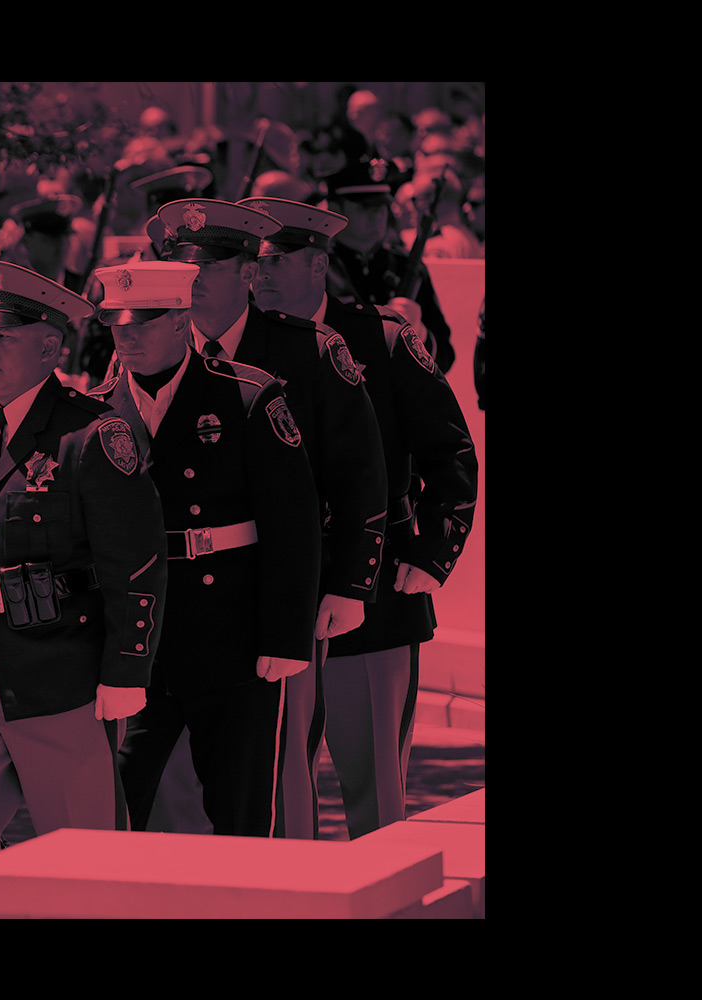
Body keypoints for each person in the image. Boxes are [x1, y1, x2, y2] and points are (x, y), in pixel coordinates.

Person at [0, 259, 167, 918]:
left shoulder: (93, 436)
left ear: (51, 346)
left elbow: (133, 561)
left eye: (6, 336)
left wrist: (125, 669)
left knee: (83, 866)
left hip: (62, 676)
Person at [150, 196, 388, 841]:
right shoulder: (149, 350)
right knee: (162, 780)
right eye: (179, 270)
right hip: (179, 601)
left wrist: (348, 583)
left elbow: (358, 474)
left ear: (249, 274)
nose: (191, 284)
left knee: (270, 770)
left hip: (277, 590)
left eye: (206, 270)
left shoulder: (308, 351)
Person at [243, 196, 479, 840]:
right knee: (280, 784)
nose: (258, 274)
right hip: (277, 591)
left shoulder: (380, 338)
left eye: (275, 260)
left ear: (318, 265)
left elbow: (451, 453)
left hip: (378, 592)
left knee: (372, 785)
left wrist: (431, 558)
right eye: (253, 261)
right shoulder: (239, 348)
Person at [91, 259, 321, 839]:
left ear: (180, 320)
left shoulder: (246, 397)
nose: (127, 337)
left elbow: (292, 525)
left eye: (143, 323)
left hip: (231, 636)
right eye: (118, 325)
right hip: (139, 641)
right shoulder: (95, 413)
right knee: (111, 807)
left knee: (241, 811)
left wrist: (285, 637)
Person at [323, 159, 456, 373]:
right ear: (335, 207)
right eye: (365, 208)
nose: (377, 216)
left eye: (382, 207)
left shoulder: (406, 266)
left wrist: (419, 334)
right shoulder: (319, 267)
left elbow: (445, 358)